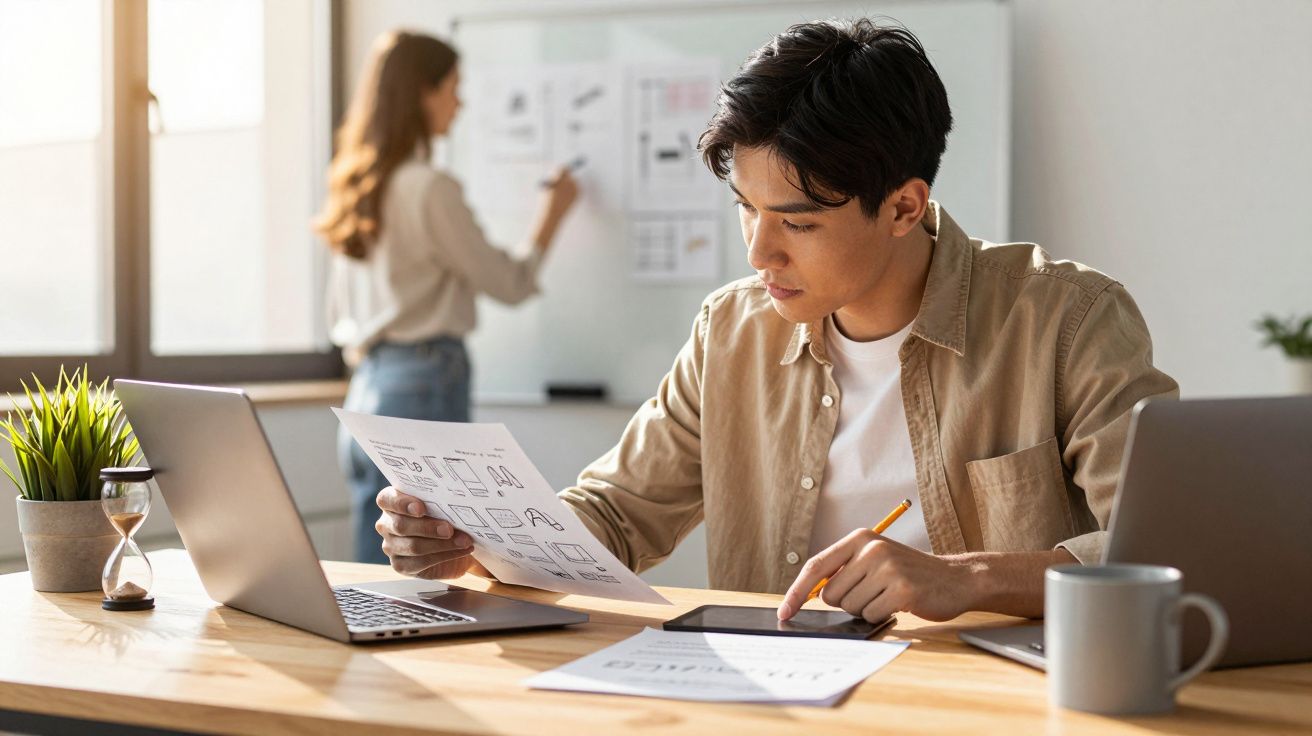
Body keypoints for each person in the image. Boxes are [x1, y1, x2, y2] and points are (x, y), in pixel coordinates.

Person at [369, 19, 1179, 622]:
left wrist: (966, 577)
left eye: (797, 221)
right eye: (745, 209)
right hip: (777, 701)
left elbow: (1174, 549)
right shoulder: (732, 332)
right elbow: (614, 516)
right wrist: (477, 541)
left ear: (904, 207)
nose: (759, 252)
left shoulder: (1066, 320)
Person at [314, 31, 579, 563]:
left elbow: (338, 310)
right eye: (453, 88)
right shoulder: (428, 188)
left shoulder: (356, 186)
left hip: (366, 388)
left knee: (381, 564)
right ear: (423, 91)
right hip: (423, 380)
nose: (460, 103)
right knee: (427, 560)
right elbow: (509, 282)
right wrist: (552, 215)